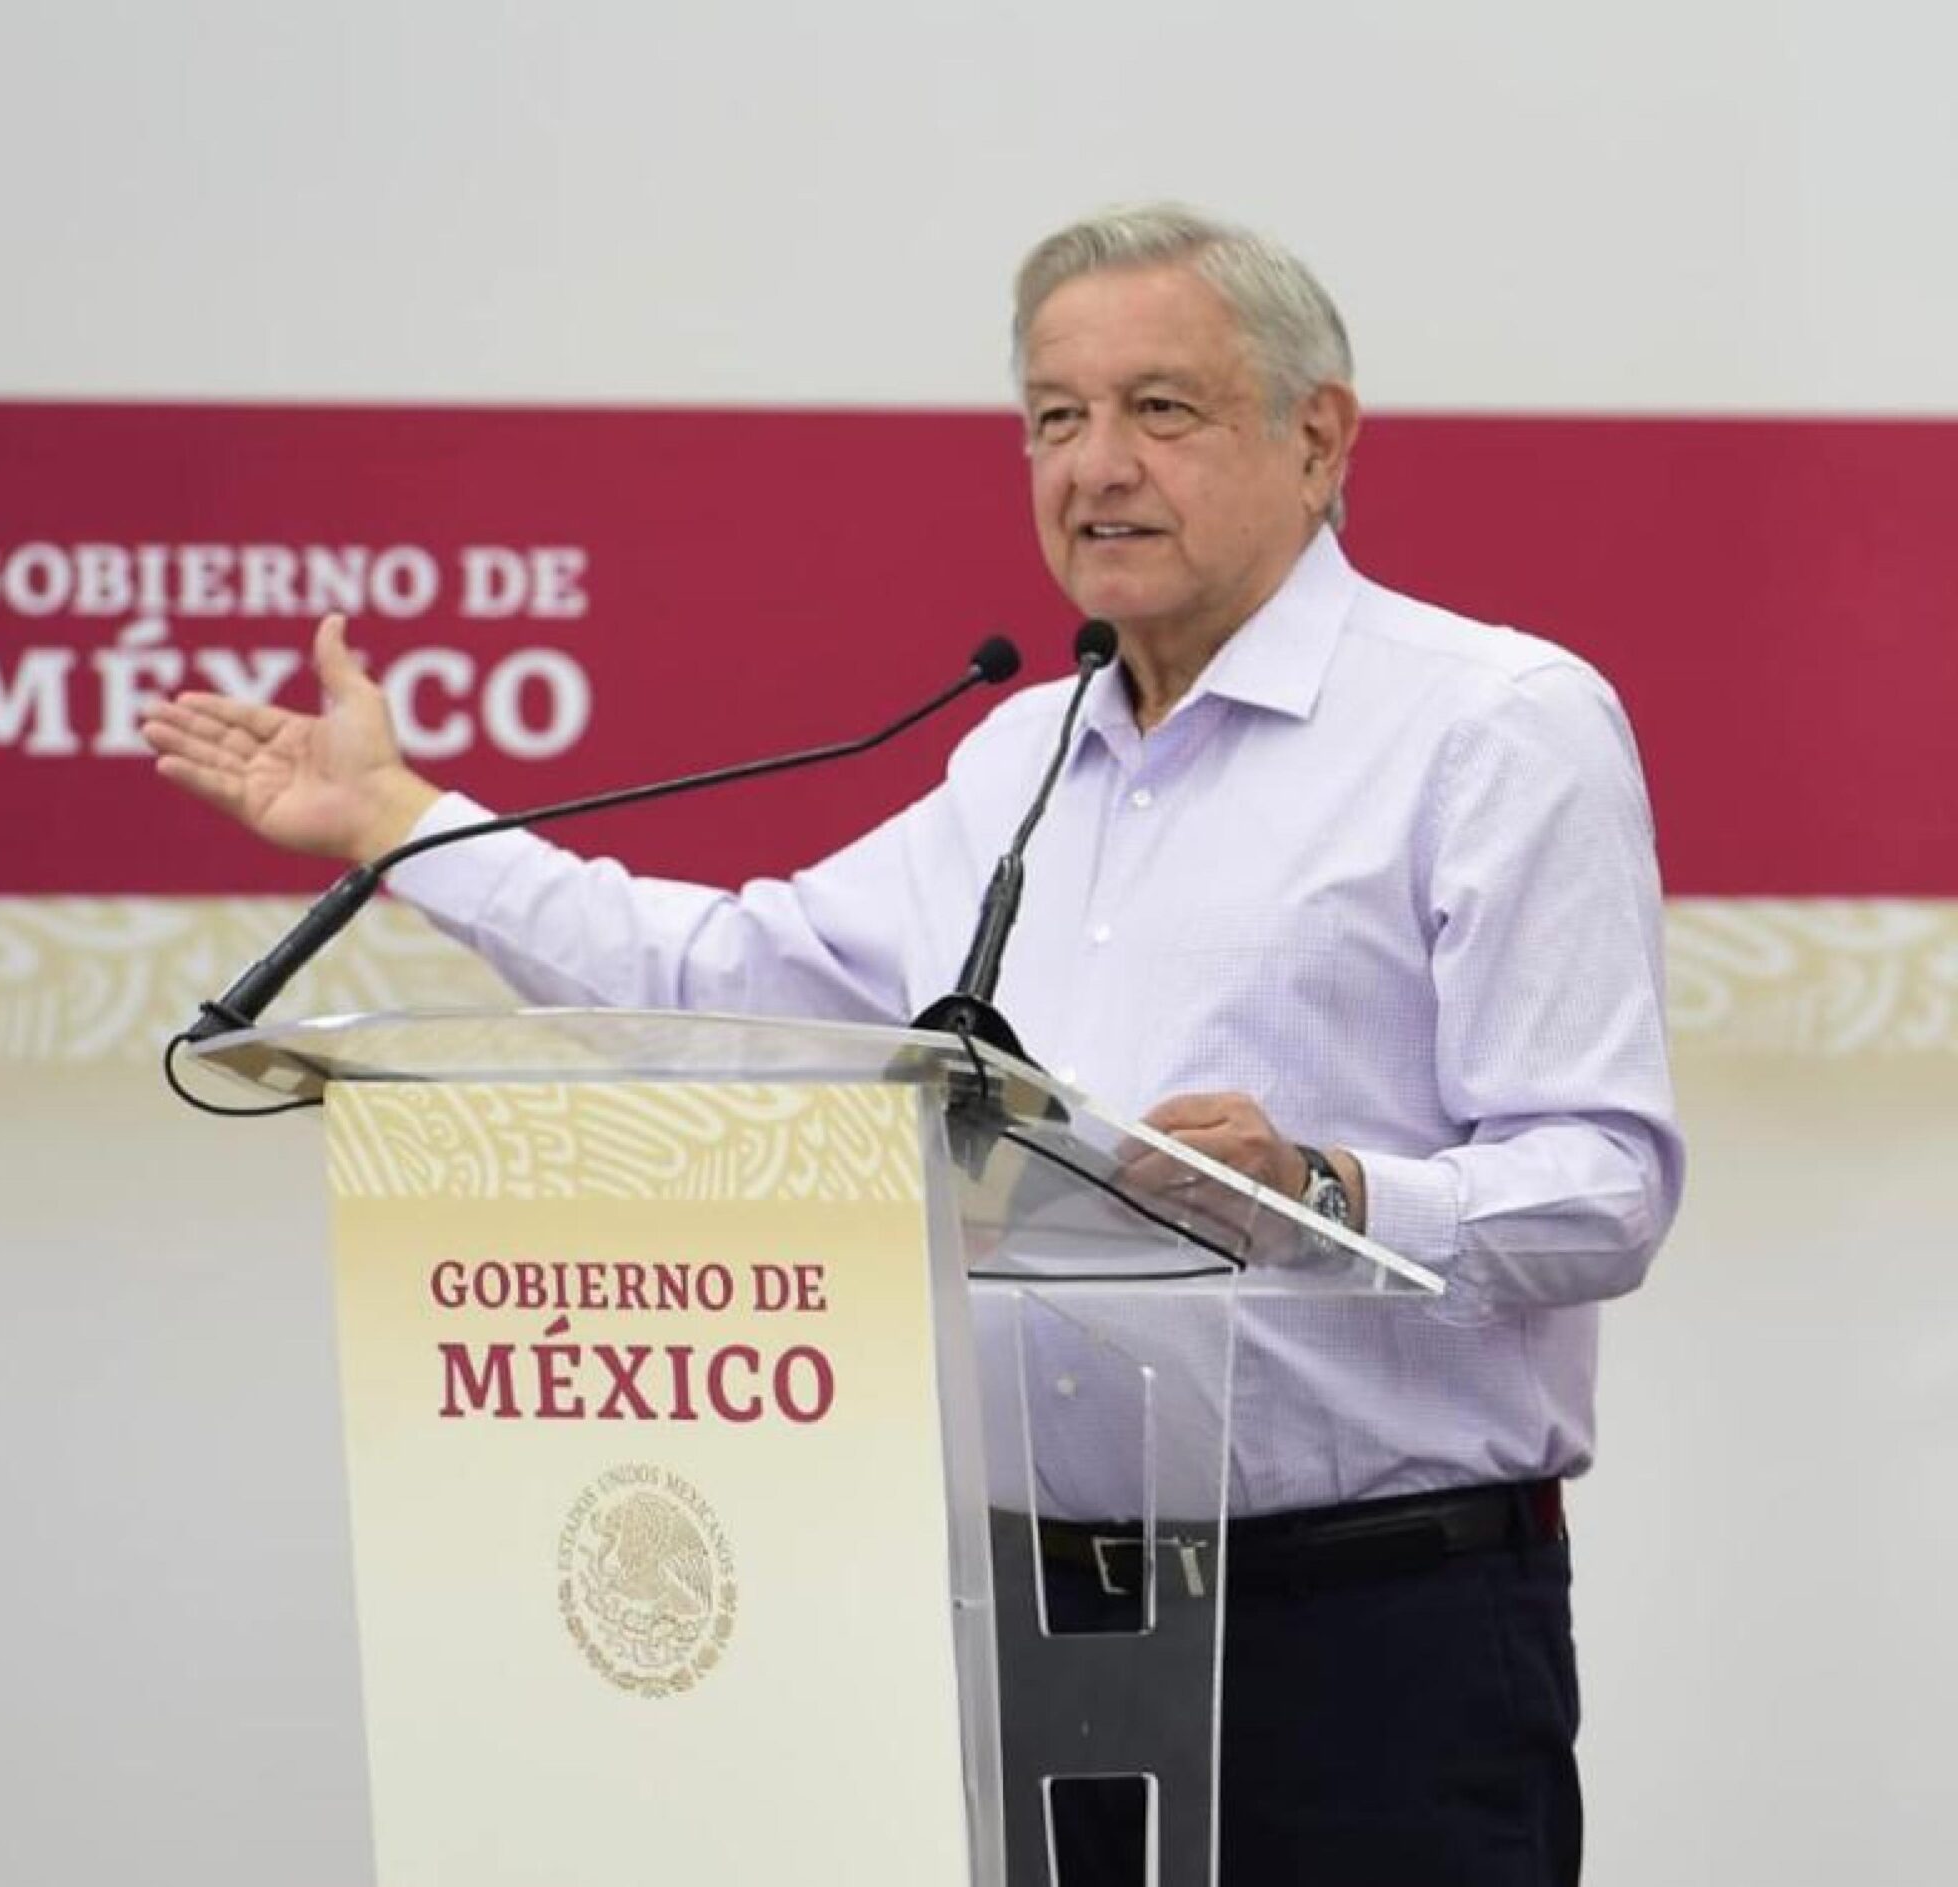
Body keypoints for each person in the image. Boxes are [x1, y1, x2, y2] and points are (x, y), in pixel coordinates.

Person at [142, 203, 1681, 1886]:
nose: (1095, 465)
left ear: (1318, 438)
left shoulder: (1490, 727)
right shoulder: (1022, 757)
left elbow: (1604, 1186)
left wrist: (1322, 1189)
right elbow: (730, 984)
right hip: (1021, 1628)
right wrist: (405, 824)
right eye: (1054, 417)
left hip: (1371, 1646)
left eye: (1160, 409)